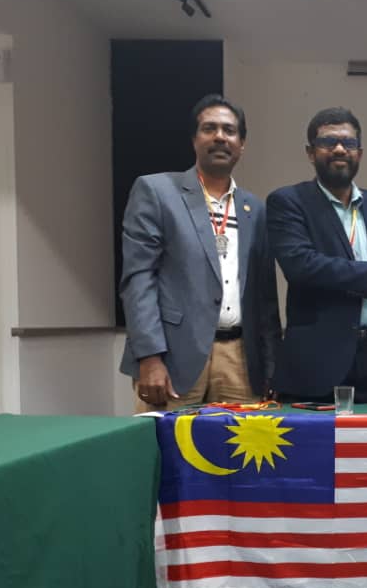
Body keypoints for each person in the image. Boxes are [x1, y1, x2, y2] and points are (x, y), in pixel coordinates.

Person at [119, 94, 281, 412]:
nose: (220, 136)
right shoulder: (157, 192)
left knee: (239, 445)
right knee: (165, 443)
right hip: (172, 358)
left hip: (240, 362)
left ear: (242, 144)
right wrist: (149, 356)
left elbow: (265, 297)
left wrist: (271, 367)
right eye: (209, 128)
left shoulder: (254, 208)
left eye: (229, 130)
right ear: (194, 140)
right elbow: (139, 279)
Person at [267, 107, 367, 404]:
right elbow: (302, 266)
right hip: (317, 367)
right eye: (328, 142)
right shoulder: (288, 202)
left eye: (348, 143)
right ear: (310, 153)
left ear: (359, 153)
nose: (339, 149)